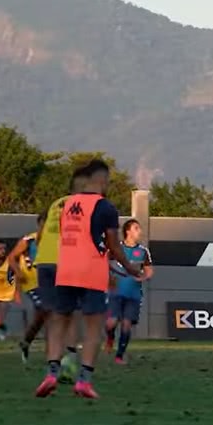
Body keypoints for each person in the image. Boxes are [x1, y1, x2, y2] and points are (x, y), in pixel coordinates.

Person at [36, 160, 142, 399]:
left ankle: (51, 373)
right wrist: (128, 266)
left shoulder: (67, 204)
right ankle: (83, 380)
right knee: (93, 326)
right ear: (101, 180)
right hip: (91, 271)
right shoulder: (105, 207)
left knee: (58, 321)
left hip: (66, 269)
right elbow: (112, 243)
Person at [33, 170, 91, 372]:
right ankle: (71, 358)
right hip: (64, 262)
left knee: (51, 314)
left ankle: (52, 360)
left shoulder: (56, 203)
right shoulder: (84, 206)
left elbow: (40, 236)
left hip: (44, 262)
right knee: (71, 312)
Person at [104, 219, 152, 364]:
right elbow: (104, 262)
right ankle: (110, 338)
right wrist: (109, 277)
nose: (140, 231)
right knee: (111, 323)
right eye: (136, 228)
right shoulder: (116, 248)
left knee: (126, 324)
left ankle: (119, 356)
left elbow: (149, 270)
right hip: (116, 292)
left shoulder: (143, 251)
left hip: (134, 295)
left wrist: (143, 277)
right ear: (128, 231)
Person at [9, 220, 45, 360]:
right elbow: (12, 257)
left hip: (48, 283)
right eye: (44, 224)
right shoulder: (29, 240)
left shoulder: (57, 241)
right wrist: (18, 271)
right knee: (44, 309)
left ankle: (26, 342)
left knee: (41, 318)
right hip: (31, 283)